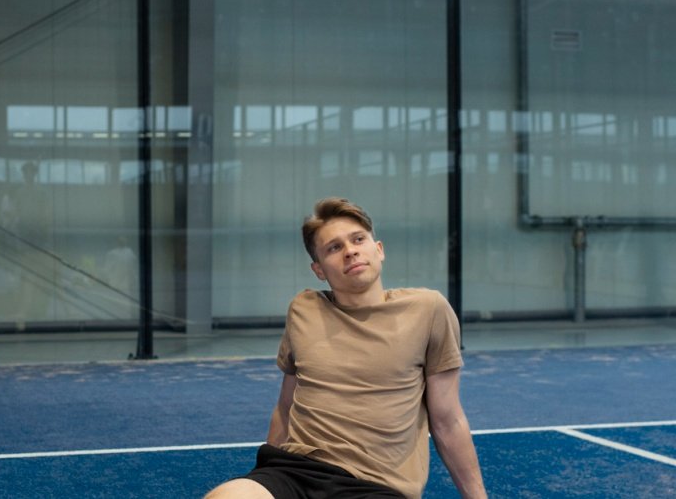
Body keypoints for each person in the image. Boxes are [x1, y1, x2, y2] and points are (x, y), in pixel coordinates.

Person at [205, 197, 486, 499]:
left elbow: (447, 419)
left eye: (358, 240)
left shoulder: (428, 310)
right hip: (295, 472)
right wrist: (262, 478)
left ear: (378, 250)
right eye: (334, 248)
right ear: (319, 269)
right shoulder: (304, 308)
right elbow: (286, 408)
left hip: (375, 485)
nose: (350, 251)